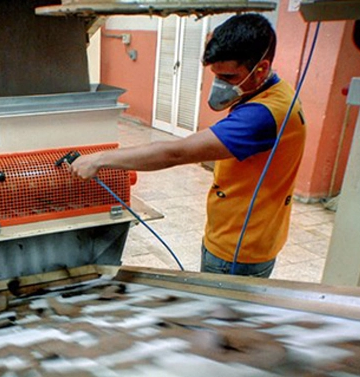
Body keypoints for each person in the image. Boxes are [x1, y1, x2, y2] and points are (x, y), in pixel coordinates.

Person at [68, 13, 306, 278]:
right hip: (256, 233)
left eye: (228, 76)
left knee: (220, 315)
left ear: (260, 68)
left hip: (239, 246)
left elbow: (175, 152)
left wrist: (99, 159)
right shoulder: (278, 91)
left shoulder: (262, 115)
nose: (219, 85)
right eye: (215, 75)